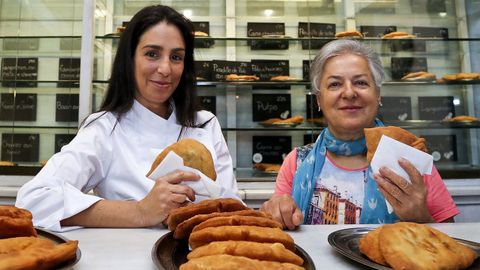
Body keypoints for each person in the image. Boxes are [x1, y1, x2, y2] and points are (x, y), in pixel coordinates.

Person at [15, 5, 239, 231]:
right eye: (152, 54)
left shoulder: (205, 123)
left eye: (176, 57)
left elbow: (233, 208)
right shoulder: (104, 128)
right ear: (129, 59)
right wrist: (140, 212)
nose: (165, 68)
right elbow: (33, 200)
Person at [261, 39, 459, 229]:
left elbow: (449, 242)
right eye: (335, 84)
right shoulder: (296, 162)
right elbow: (280, 228)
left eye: (361, 83)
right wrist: (275, 214)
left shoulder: (410, 159)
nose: (349, 93)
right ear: (319, 100)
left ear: (378, 95)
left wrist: (421, 217)